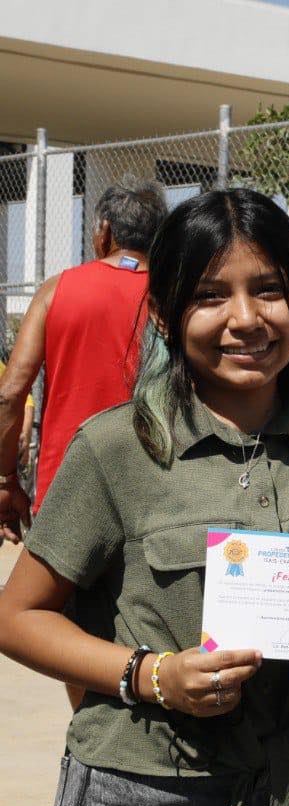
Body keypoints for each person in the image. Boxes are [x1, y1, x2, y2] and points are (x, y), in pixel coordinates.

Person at [0, 188, 289, 806]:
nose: (246, 318)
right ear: (167, 317)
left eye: (269, 288)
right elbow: (18, 616)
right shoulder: (117, 449)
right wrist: (151, 674)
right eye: (210, 296)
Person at [0, 176, 168, 538]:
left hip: (65, 489)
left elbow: (10, 393)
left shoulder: (57, 288)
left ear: (104, 232)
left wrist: (5, 479)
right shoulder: (175, 298)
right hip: (154, 492)